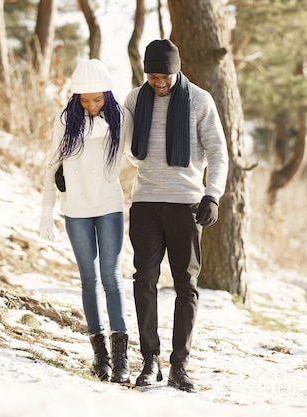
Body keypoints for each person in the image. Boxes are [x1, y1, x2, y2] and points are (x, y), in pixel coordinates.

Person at [123, 39, 229, 393]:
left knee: (186, 287)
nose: (159, 83)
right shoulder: (136, 99)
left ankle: (179, 365)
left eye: (165, 76)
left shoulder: (199, 100)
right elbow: (115, 141)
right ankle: (149, 360)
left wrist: (212, 195)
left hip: (186, 205)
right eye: (153, 77)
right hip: (146, 203)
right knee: (145, 281)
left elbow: (218, 152)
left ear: (177, 70)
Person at [39, 59, 133, 384]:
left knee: (112, 277)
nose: (92, 106)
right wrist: (46, 211)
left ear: (107, 94)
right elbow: (51, 165)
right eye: (85, 99)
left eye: (97, 99)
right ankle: (101, 357)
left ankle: (122, 359)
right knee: (89, 279)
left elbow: (137, 153)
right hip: (76, 210)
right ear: (76, 97)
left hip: (109, 206)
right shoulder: (66, 120)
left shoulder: (121, 118)